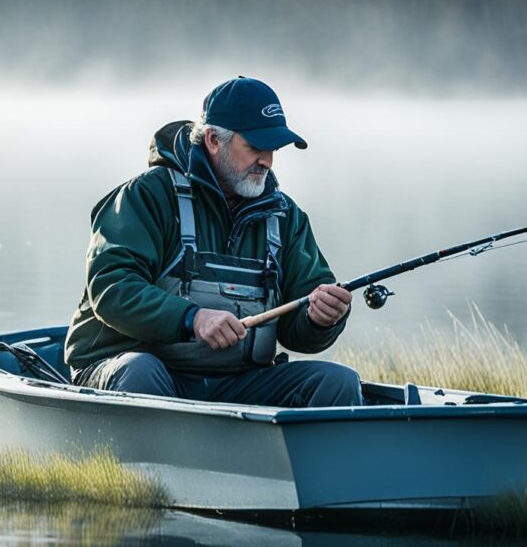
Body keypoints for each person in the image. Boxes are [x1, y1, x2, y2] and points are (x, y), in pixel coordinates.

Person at [63, 76, 363, 407]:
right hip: (129, 371)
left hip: (237, 381)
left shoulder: (287, 217)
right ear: (213, 140)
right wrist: (192, 318)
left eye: (273, 149)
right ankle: (149, 460)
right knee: (141, 371)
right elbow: (113, 289)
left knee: (338, 382)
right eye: (254, 147)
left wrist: (321, 319)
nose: (267, 161)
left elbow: (300, 327)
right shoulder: (146, 197)